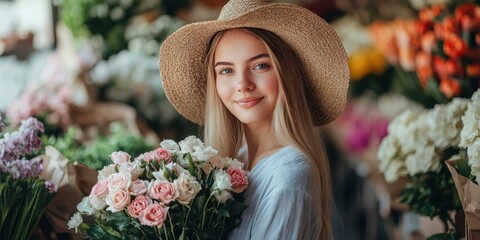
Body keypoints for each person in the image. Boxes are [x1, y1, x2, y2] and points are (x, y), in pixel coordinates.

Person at [159, 0, 349, 239]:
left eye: (260, 66)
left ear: (286, 74)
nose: (243, 85)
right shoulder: (241, 157)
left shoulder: (287, 177)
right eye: (227, 70)